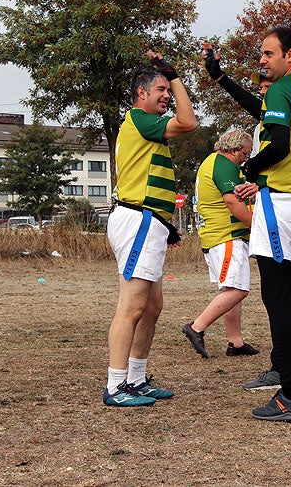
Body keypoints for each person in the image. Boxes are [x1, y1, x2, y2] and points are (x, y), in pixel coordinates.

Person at [203, 44, 291, 391]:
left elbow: (278, 145)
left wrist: (250, 169)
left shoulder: (285, 90)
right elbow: (259, 109)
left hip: (286, 201)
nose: (262, 66)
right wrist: (221, 78)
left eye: (267, 55)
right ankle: (285, 371)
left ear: (289, 56)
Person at [103, 52, 198, 407]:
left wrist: (165, 225)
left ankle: (136, 380)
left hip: (149, 221)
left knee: (152, 307)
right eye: (160, 89)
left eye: (167, 89)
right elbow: (188, 122)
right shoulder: (142, 119)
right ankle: (115, 386)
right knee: (132, 307)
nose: (167, 95)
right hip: (137, 221)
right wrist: (174, 75)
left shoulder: (146, 127)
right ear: (141, 94)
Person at [182, 129, 261, 359]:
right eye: (245, 154)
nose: (246, 159)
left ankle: (235, 342)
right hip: (225, 235)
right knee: (238, 289)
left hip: (215, 236)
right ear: (234, 150)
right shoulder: (224, 165)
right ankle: (196, 326)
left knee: (230, 288)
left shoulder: (212, 162)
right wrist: (256, 227)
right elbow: (231, 202)